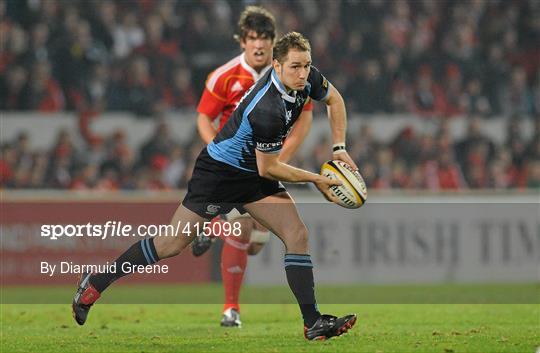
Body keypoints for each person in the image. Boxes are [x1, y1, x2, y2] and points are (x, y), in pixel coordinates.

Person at [73, 31, 357, 341]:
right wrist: (317, 179)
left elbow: (335, 99)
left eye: (307, 65)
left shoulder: (307, 78)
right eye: (295, 67)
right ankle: (95, 283)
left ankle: (312, 322)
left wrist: (339, 148)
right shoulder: (268, 109)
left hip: (252, 176)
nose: (303, 73)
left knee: (297, 234)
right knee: (170, 245)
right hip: (219, 174)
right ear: (276, 66)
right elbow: (270, 167)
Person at [191, 6, 314, 327]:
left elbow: (305, 117)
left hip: (267, 161)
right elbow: (204, 116)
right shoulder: (223, 76)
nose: (258, 44)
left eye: (264, 38)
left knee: (257, 243)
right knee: (242, 228)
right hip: (234, 165)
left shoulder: (288, 72)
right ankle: (231, 309)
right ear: (242, 41)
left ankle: (212, 226)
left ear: (274, 42)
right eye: (252, 38)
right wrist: (215, 149)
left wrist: (280, 158)